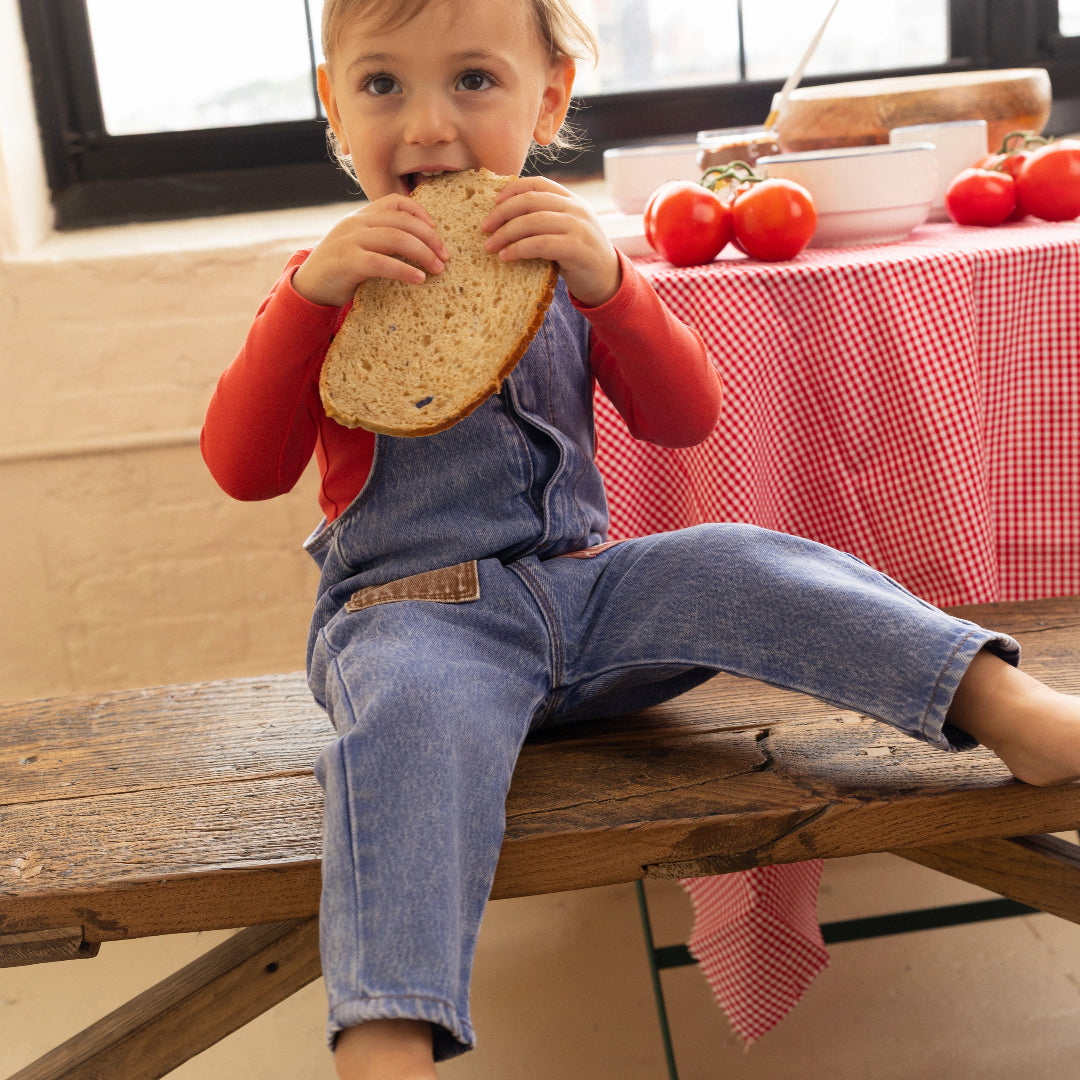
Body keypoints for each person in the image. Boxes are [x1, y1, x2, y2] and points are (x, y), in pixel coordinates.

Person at [201, 0, 1080, 1076]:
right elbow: (244, 470)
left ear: (549, 99)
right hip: (410, 620)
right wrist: (304, 298)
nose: (428, 125)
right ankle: (388, 1033)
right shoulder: (324, 285)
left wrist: (616, 288)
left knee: (737, 556)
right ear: (334, 106)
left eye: (473, 80)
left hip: (587, 599)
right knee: (406, 730)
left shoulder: (569, 260)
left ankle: (1007, 709)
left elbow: (685, 416)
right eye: (383, 85)